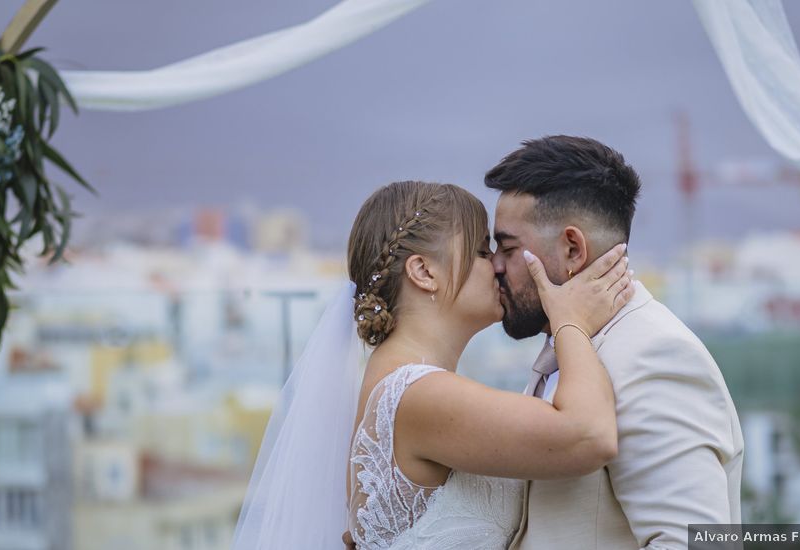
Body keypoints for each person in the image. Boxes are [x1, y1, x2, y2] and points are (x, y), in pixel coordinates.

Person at [232, 180, 633, 549]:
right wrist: (571, 321)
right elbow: (588, 435)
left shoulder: (399, 385)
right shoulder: (417, 394)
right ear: (424, 272)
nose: (497, 265)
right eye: (481, 251)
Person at [485, 135, 744, 549]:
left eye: (507, 247)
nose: (494, 265)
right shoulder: (575, 346)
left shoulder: (654, 356)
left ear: (572, 249)